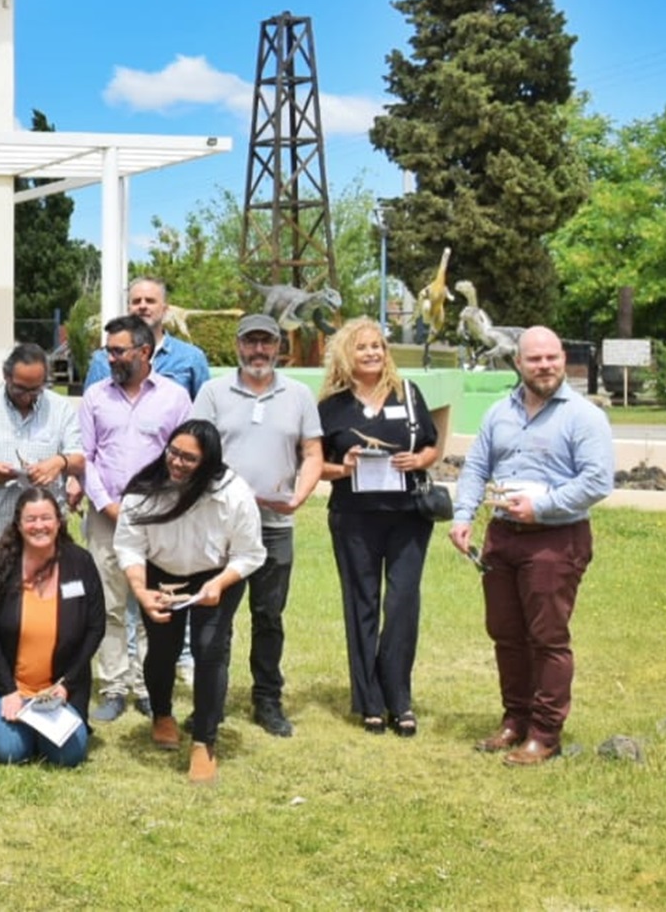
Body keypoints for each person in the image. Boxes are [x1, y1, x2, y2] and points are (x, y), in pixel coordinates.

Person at [451, 326, 613, 767]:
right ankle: (514, 720)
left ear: (563, 359)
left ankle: (545, 733)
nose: (544, 366)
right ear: (518, 363)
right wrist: (463, 515)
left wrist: (541, 507)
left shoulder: (584, 416)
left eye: (552, 358)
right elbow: (476, 466)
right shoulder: (499, 412)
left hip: (555, 540)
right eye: (535, 359)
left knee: (547, 638)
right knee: (506, 633)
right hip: (502, 537)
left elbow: (598, 481)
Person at [191, 313, 323, 738]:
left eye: (267, 342)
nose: (259, 351)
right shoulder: (212, 392)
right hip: (221, 528)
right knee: (217, 617)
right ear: (238, 346)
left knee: (269, 616)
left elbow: (313, 452)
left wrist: (298, 498)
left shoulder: (299, 394)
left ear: (279, 347)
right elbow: (196, 450)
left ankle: (268, 699)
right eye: (252, 343)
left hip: (274, 528)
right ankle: (210, 702)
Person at [115, 419, 265, 785]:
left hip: (216, 576)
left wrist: (219, 583)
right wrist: (140, 589)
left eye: (189, 459)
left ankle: (204, 741)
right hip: (160, 573)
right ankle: (162, 715)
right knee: (162, 649)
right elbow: (130, 545)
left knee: (209, 647)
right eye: (174, 452)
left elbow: (249, 554)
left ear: (209, 463)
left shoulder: (234, 494)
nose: (177, 463)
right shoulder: (143, 490)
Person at [316, 319, 440, 736]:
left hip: (408, 516)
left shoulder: (409, 395)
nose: (372, 353)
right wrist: (343, 467)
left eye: (378, 346)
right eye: (362, 347)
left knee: (403, 605)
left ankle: (399, 697)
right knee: (361, 604)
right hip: (353, 518)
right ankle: (369, 699)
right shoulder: (331, 407)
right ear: (345, 355)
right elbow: (317, 467)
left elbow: (430, 445)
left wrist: (418, 461)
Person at [79, 314, 191, 723]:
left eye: (117, 350)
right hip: (106, 518)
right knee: (108, 604)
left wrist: (163, 504)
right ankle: (112, 686)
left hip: (159, 521)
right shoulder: (95, 397)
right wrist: (107, 504)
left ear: (144, 351)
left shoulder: (176, 398)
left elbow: (184, 458)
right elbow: (85, 458)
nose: (109, 358)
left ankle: (148, 686)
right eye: (108, 350)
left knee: (153, 605)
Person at [0, 343, 84, 681]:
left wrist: (57, 463)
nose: (29, 396)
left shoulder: (60, 408)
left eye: (37, 388)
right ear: (5, 377)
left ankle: (42, 666)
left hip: (45, 526)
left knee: (45, 599)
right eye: (21, 388)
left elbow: (79, 457)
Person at [0, 489, 105, 767]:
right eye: (31, 519)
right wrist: (8, 690)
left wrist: (67, 685)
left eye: (46, 518)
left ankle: (42, 730)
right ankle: (17, 727)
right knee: (8, 753)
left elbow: (96, 627)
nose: (39, 526)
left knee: (68, 756)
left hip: (59, 690)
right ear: (18, 524)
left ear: (58, 521)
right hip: (12, 686)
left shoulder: (80, 563)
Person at [83, 276, 211, 399]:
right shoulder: (102, 360)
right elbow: (90, 408)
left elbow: (201, 413)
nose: (142, 306)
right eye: (136, 301)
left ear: (165, 309)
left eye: (150, 301)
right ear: (128, 309)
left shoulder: (190, 358)